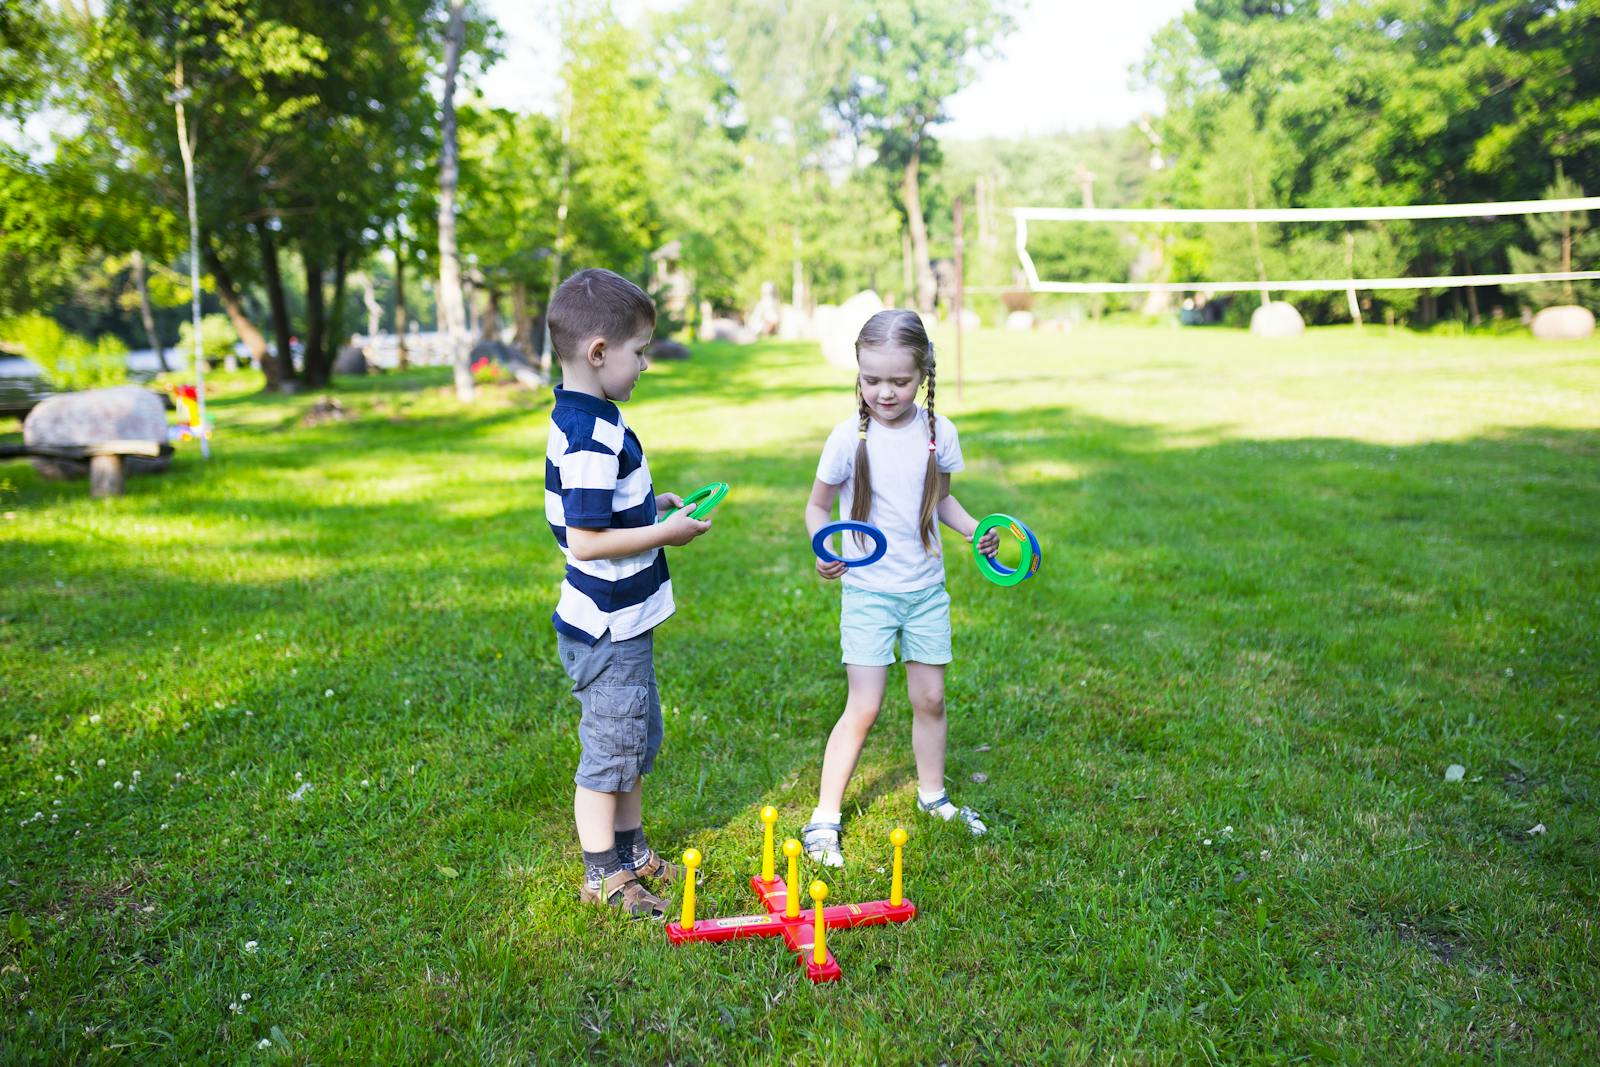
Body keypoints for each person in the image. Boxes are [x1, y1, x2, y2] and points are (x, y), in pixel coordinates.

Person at [801, 309, 1001, 866]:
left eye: (899, 381)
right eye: (871, 380)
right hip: (868, 592)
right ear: (858, 374)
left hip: (924, 590)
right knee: (863, 706)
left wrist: (975, 531)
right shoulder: (847, 439)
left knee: (930, 699)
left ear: (923, 375)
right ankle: (824, 818)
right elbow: (817, 508)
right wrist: (826, 547)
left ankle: (932, 796)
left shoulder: (939, 434)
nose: (884, 392)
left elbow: (941, 499)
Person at [544, 267, 713, 916]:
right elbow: (585, 539)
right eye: (639, 352)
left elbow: (606, 510)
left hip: (626, 623)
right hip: (608, 630)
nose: (645, 364)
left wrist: (651, 505)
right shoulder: (590, 433)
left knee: (635, 742)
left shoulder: (595, 416)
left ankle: (631, 847)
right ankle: (602, 875)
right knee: (609, 756)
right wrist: (664, 533)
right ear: (598, 353)